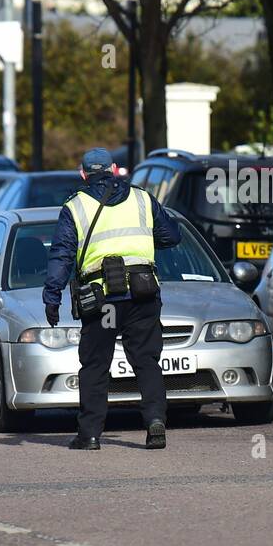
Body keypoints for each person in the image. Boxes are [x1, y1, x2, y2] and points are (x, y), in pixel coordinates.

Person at [42, 148, 181, 450]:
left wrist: (52, 297)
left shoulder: (75, 206)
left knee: (95, 365)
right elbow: (171, 236)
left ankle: (90, 435)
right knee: (146, 361)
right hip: (143, 292)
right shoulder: (143, 198)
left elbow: (62, 255)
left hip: (102, 298)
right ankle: (155, 421)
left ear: (83, 174)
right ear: (115, 169)